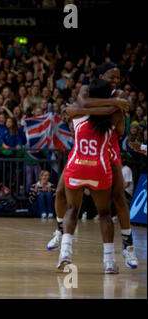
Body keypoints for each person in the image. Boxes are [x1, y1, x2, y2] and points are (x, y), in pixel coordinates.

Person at [47, 64, 138, 270]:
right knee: (61, 193)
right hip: (97, 156)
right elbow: (91, 103)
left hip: (106, 149)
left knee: (119, 199)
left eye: (118, 78)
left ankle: (127, 244)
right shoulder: (92, 92)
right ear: (100, 76)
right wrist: (114, 104)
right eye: (111, 77)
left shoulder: (115, 94)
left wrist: (79, 110)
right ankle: (61, 231)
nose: (115, 81)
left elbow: (81, 107)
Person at [59, 89, 120, 273]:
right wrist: (115, 104)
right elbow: (121, 129)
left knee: (71, 209)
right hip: (99, 168)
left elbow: (72, 108)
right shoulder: (112, 117)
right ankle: (109, 261)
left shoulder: (77, 115)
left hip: (78, 166)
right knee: (104, 214)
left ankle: (65, 252)